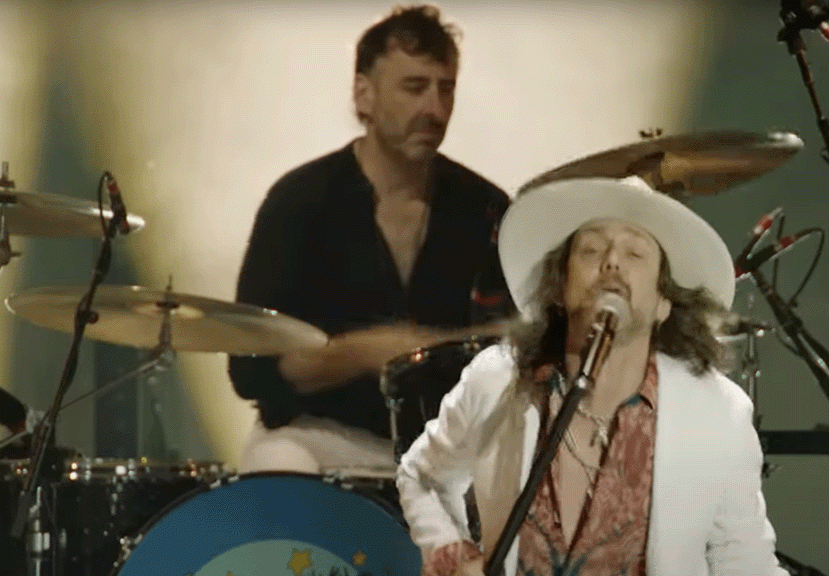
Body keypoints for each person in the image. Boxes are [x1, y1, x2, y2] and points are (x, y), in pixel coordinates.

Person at [397, 176, 788, 575]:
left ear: (663, 304)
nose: (612, 261)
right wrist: (456, 559)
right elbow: (421, 478)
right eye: (591, 249)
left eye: (635, 253)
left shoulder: (718, 413)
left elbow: (746, 561)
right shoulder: (497, 382)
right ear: (560, 287)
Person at [229, 5, 513, 474]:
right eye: (414, 88)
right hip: (319, 436)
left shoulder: (484, 207)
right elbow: (251, 370)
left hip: (445, 444)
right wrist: (366, 351)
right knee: (276, 466)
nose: (435, 109)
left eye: (445, 89)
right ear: (364, 94)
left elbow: (513, 348)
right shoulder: (299, 201)